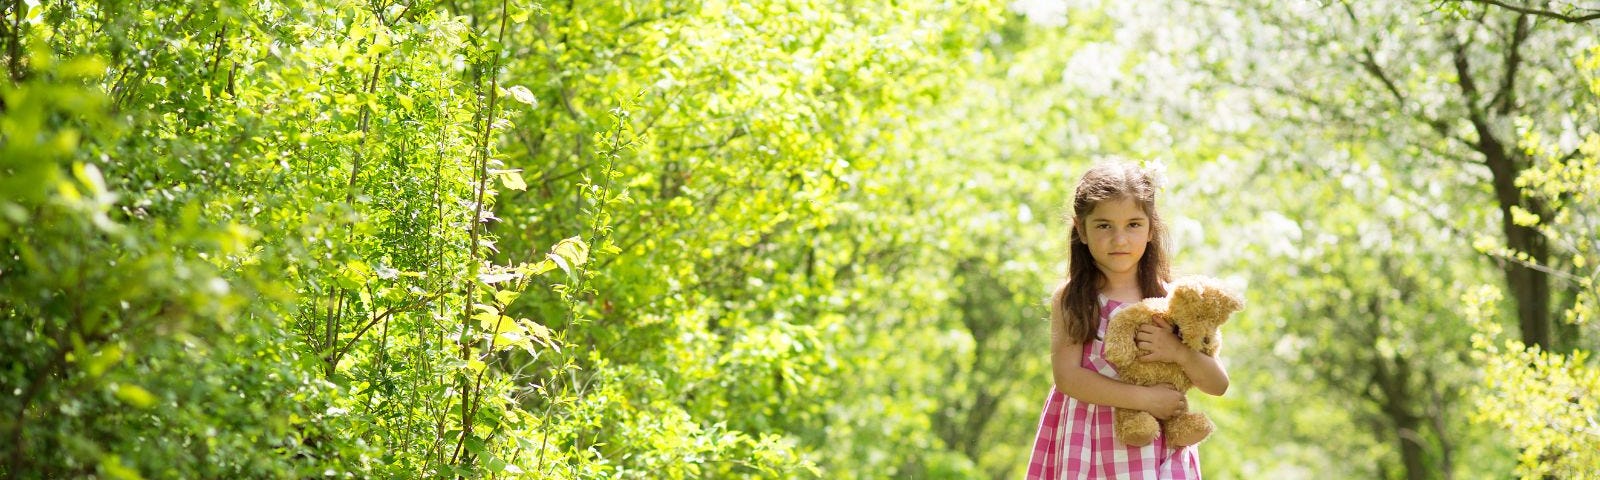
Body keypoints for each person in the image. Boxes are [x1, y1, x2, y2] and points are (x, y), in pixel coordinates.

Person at [1026, 161, 1230, 479]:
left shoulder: (1175, 301)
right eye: (1104, 225)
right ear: (1081, 229)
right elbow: (1067, 377)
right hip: (1090, 444)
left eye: (1133, 224)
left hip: (1158, 448)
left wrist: (1179, 352)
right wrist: (1147, 399)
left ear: (1151, 229)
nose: (1120, 240)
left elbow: (1218, 384)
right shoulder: (1074, 297)